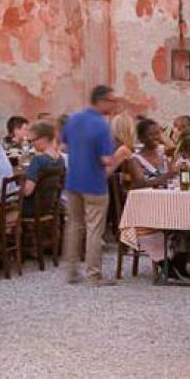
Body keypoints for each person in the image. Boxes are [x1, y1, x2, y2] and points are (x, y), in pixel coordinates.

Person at [63, 85, 120, 284]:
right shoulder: (101, 125)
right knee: (94, 228)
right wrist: (115, 159)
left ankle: (71, 270)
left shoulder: (74, 119)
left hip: (73, 180)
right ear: (102, 101)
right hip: (94, 182)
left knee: (74, 225)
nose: (114, 105)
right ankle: (93, 274)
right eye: (111, 101)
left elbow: (65, 144)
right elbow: (106, 158)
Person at [20, 121, 65, 216]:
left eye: (33, 140)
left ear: (44, 138)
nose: (32, 144)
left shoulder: (38, 160)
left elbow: (27, 191)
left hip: (33, 209)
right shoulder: (60, 159)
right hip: (51, 206)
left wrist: (18, 188)